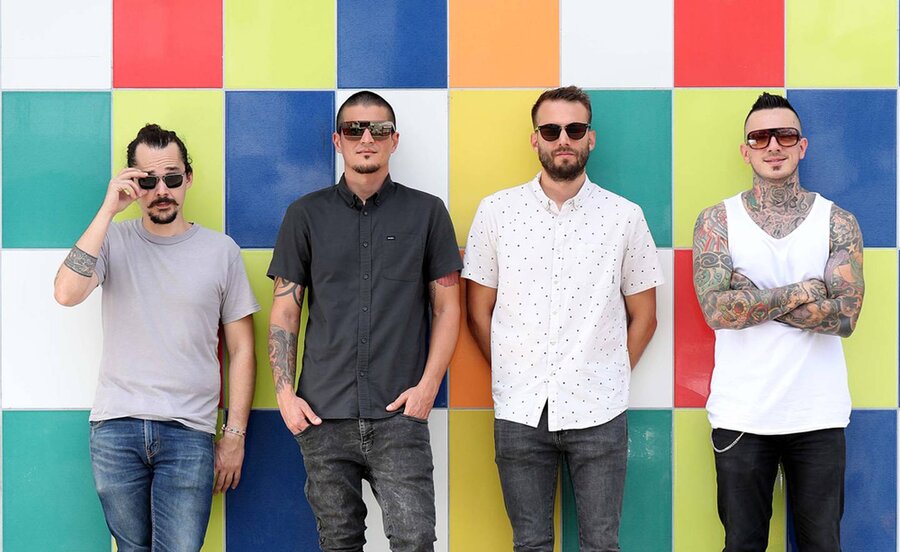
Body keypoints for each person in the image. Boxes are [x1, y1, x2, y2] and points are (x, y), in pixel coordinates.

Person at [464, 85, 663, 552]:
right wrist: (512, 372)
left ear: (591, 137)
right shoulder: (496, 212)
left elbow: (645, 316)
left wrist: (607, 373)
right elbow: (477, 310)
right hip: (519, 410)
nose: (563, 140)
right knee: (529, 544)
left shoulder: (624, 217)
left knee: (601, 545)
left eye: (574, 129)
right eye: (551, 130)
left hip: (600, 409)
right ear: (535, 138)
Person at [267, 90, 462, 552]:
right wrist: (285, 396)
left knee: (415, 541)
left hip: (399, 414)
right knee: (339, 542)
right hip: (322, 414)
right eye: (354, 129)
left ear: (395, 140)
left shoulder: (428, 212)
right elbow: (286, 309)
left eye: (379, 129)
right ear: (338, 140)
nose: (367, 138)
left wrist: (428, 387)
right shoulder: (304, 215)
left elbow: (447, 308)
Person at [53, 124, 259, 552]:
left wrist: (235, 434)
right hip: (116, 428)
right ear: (133, 183)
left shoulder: (221, 251)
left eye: (172, 177)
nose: (161, 190)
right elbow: (66, 293)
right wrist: (108, 210)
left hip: (189, 431)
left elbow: (242, 350)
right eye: (147, 181)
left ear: (189, 178)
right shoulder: (113, 240)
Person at [692, 92, 865, 551]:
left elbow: (846, 316)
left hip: (818, 413)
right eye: (760, 137)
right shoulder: (716, 221)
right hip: (742, 413)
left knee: (822, 545)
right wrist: (805, 290)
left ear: (802, 146)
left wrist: (751, 297)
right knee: (743, 544)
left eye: (785, 135)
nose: (773, 145)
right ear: (745, 150)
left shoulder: (837, 221)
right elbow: (716, 311)